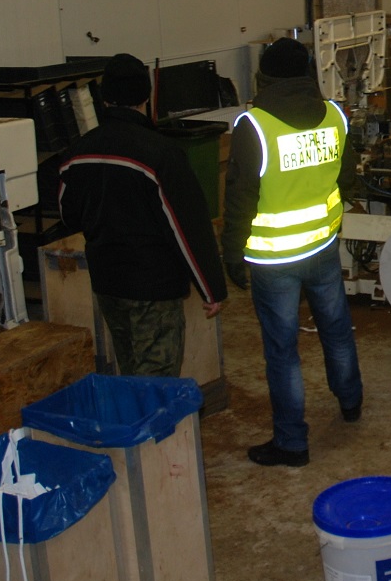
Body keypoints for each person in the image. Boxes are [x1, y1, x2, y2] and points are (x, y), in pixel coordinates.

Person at [221, 38, 363, 468]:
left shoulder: (255, 125)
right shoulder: (334, 114)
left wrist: (231, 252)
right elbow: (348, 175)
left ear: (264, 76)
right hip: (322, 245)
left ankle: (291, 442)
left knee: (283, 352)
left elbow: (241, 197)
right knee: (336, 328)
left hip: (274, 260)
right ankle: (351, 401)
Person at [58, 53, 227, 376]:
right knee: (157, 380)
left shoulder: (76, 154)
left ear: (104, 98)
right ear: (146, 97)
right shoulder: (161, 154)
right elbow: (186, 227)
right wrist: (210, 287)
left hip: (108, 284)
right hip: (154, 288)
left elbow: (70, 216)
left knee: (130, 369)